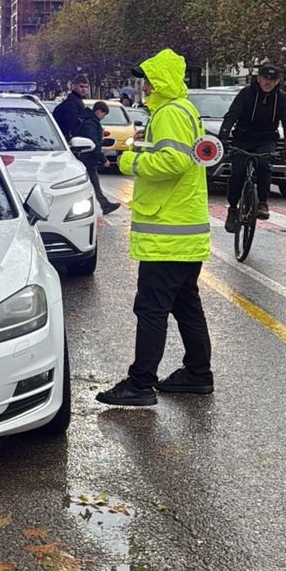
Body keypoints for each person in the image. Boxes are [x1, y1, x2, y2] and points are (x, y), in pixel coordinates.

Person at [96, 48, 212, 408]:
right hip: (182, 231)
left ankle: (140, 383)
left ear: (160, 80)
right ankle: (197, 373)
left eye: (147, 79)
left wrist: (130, 161)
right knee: (186, 305)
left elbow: (174, 161)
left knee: (151, 309)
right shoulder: (182, 110)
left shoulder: (171, 113)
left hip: (168, 232)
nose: (143, 86)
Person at [219, 60, 286, 231]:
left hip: (266, 139)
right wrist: (223, 138)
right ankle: (232, 209)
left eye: (273, 79)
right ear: (258, 79)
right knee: (238, 172)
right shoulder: (246, 93)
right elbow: (231, 115)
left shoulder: (281, 99)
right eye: (265, 78)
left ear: (277, 82)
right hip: (243, 137)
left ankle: (262, 202)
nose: (268, 82)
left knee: (264, 165)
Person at [82, 101, 120, 214]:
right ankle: (104, 205)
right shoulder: (91, 123)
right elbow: (94, 144)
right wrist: (103, 159)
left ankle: (105, 204)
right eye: (103, 115)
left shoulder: (90, 121)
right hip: (88, 158)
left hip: (87, 157)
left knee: (94, 183)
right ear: (98, 111)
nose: (103, 118)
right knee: (94, 183)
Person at [53, 74, 90, 140]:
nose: (84, 89)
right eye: (81, 86)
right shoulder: (72, 103)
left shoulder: (76, 101)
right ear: (74, 86)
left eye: (86, 87)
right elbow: (73, 125)